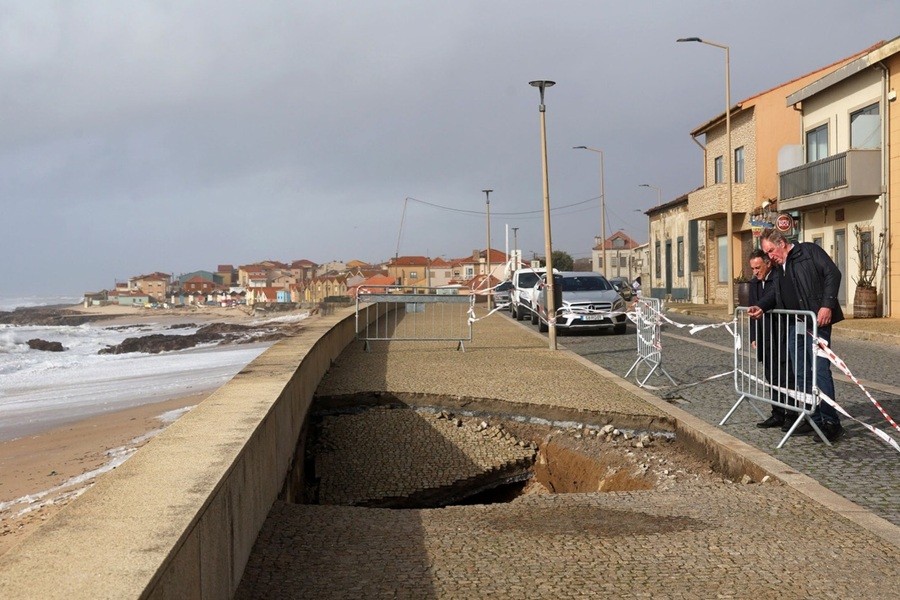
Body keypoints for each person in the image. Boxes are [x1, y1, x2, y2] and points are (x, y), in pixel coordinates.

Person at [748, 228, 844, 442]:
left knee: (820, 371)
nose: (769, 256)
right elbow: (775, 294)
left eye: (770, 250)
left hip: (817, 323)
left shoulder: (808, 252)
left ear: (781, 243)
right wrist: (761, 307)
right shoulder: (778, 268)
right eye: (766, 252)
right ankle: (813, 418)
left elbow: (833, 274)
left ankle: (831, 422)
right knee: (801, 373)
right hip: (794, 326)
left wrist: (827, 305)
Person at [747, 249, 792, 429]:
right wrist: (753, 335)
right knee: (771, 376)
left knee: (786, 376)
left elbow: (771, 297)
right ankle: (777, 413)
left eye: (758, 267)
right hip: (765, 335)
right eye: (752, 268)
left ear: (767, 263)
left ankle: (792, 414)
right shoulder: (754, 283)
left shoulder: (778, 277)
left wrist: (761, 307)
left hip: (781, 333)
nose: (755, 272)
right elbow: (752, 310)